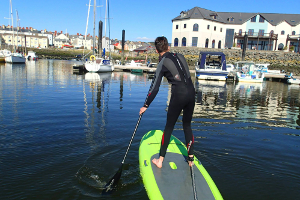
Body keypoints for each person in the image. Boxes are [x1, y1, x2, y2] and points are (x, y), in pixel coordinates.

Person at [139, 36, 195, 168]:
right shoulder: (180, 56)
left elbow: (155, 87)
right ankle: (191, 159)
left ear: (156, 50)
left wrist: (146, 105)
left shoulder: (162, 62)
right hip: (192, 92)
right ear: (168, 47)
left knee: (169, 127)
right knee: (187, 126)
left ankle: (160, 160)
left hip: (179, 95)